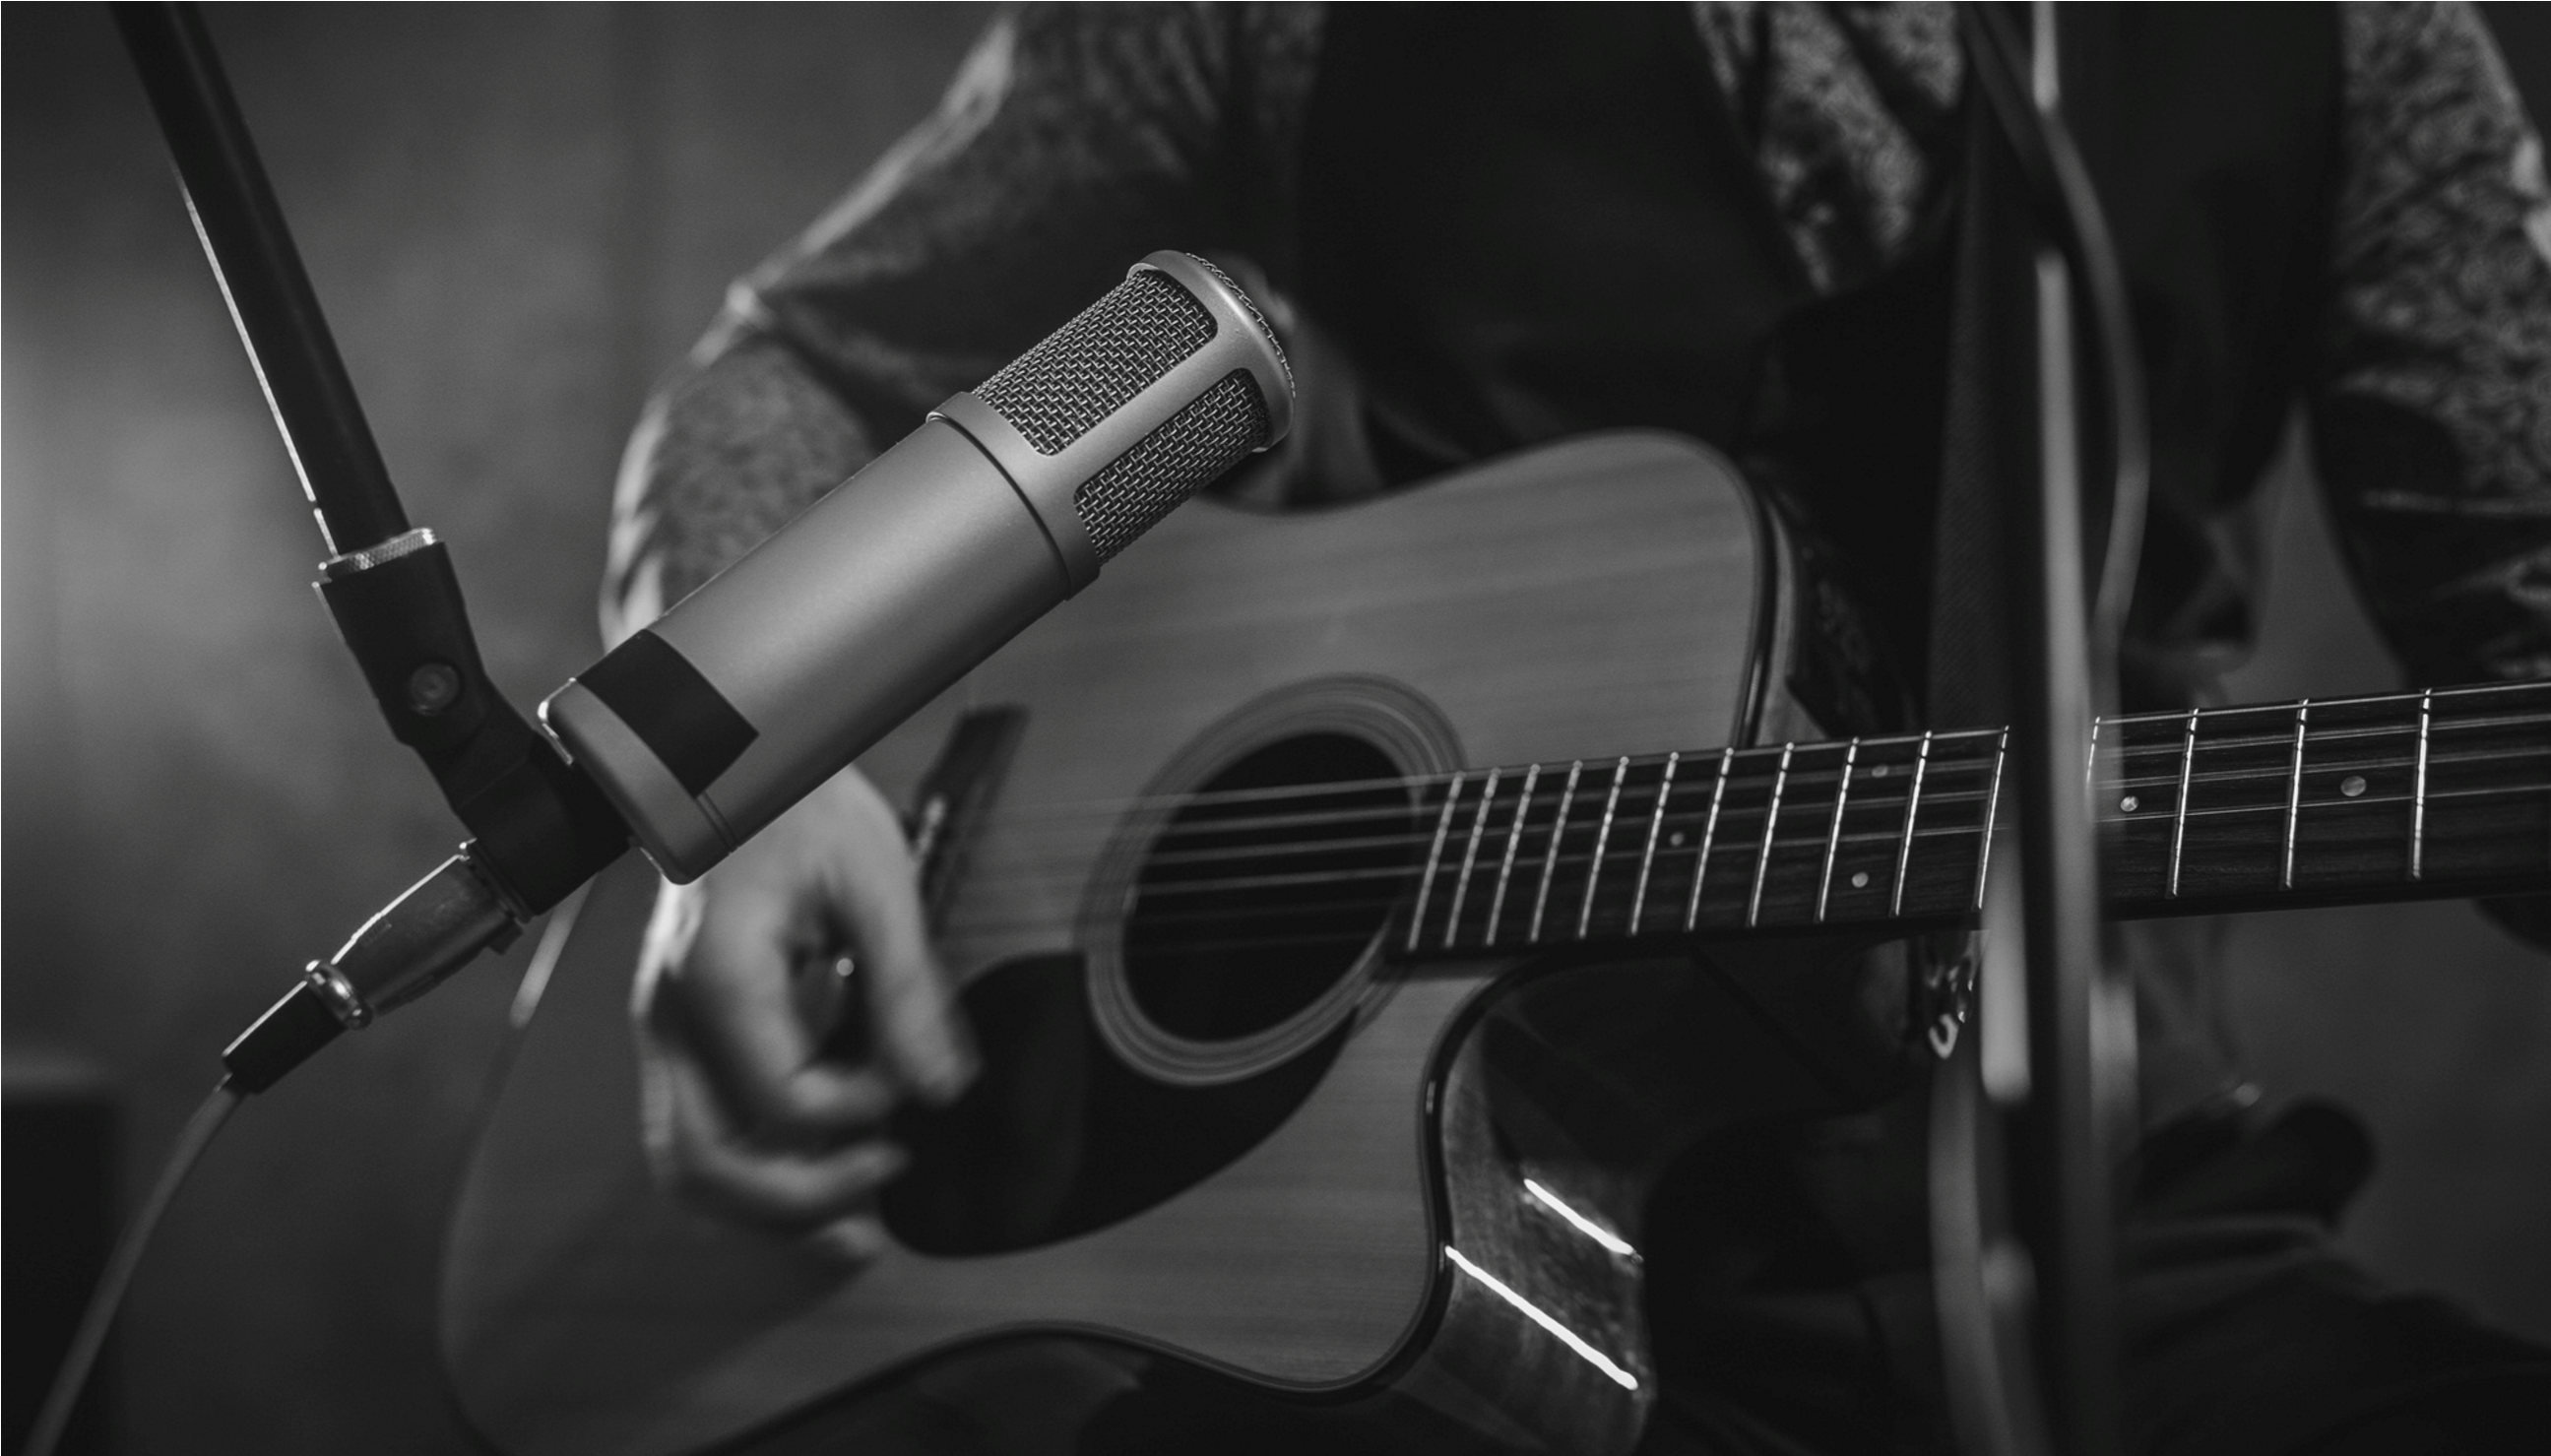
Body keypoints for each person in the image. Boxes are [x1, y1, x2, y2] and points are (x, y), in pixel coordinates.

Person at [598, 3, 2550, 1451]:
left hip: (2115, 1246)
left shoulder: (2350, 34)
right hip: (1407, 1271)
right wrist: (744, 772)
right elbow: (811, 362)